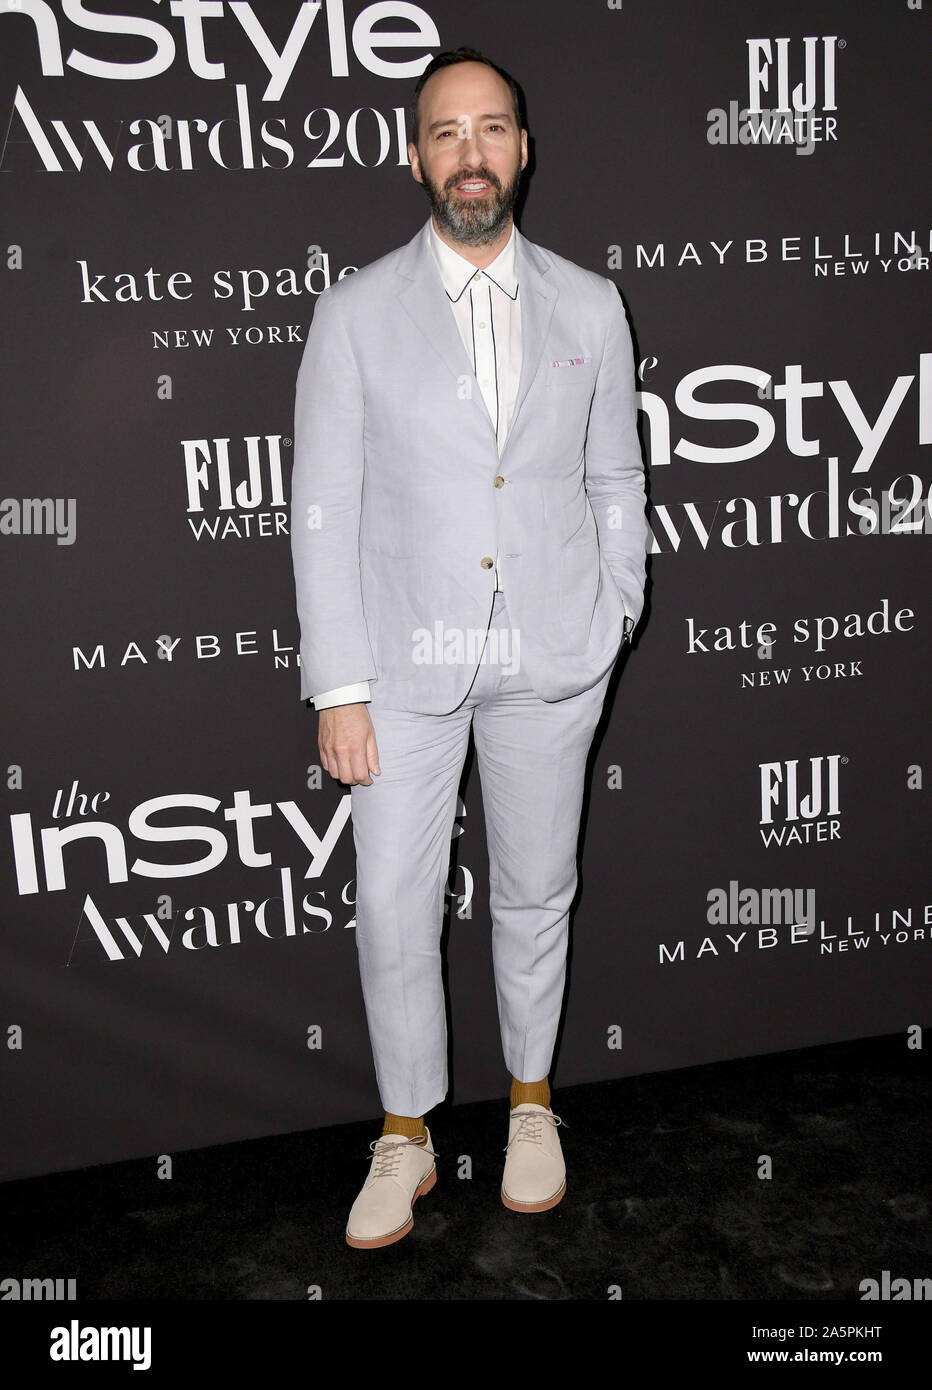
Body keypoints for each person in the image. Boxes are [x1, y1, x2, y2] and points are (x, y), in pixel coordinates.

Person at [290, 46, 648, 1249]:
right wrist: (338, 687)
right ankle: (405, 1133)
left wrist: (615, 610)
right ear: (414, 156)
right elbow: (322, 511)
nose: (471, 153)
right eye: (445, 132)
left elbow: (613, 476)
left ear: (523, 149)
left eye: (491, 128)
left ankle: (531, 1104)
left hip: (553, 655)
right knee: (394, 906)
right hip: (400, 672)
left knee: (536, 892)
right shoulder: (351, 312)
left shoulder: (591, 304)